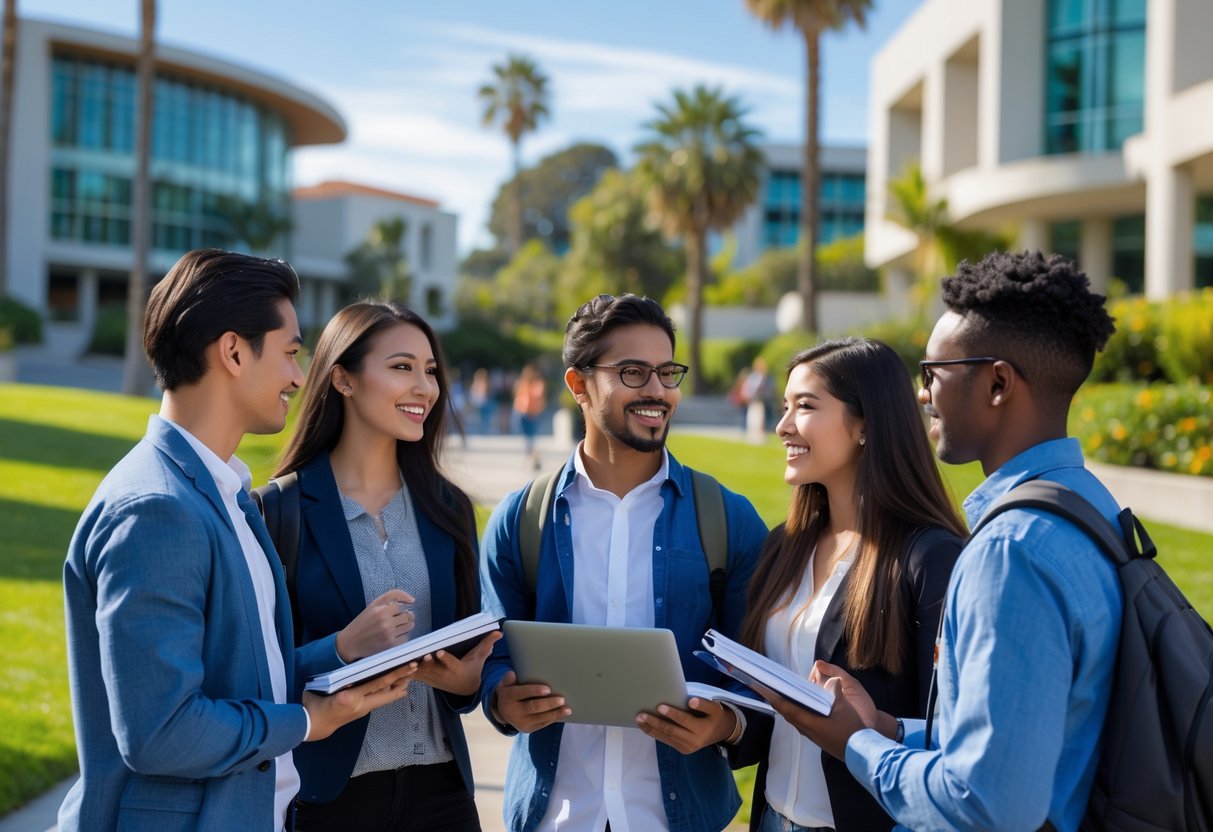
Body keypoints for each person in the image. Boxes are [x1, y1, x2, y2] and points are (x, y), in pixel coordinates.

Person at [758, 251, 1123, 831]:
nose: (921, 395)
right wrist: (891, 729)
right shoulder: (1092, 506)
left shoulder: (1011, 551)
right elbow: (1012, 735)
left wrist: (858, 744)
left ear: (998, 382)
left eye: (933, 374)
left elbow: (988, 803)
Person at [60, 249, 414, 832]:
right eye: (291, 353)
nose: (300, 378)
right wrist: (305, 721)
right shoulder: (156, 510)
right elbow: (161, 733)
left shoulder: (226, 495)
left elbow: (239, 674)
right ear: (232, 352)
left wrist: (340, 654)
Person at [479, 293, 769, 832]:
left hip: (679, 817)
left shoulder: (728, 520)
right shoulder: (521, 520)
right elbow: (492, 655)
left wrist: (724, 724)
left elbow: (760, 676)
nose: (658, 390)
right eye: (633, 373)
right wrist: (502, 699)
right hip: (555, 816)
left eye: (667, 372)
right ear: (578, 385)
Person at [271, 301, 501, 830]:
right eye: (402, 367)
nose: (425, 387)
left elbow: (467, 660)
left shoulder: (448, 509)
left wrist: (467, 683)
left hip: (443, 796)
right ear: (344, 380)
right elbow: (255, 672)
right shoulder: (279, 510)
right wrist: (342, 648)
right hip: (328, 799)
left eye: (430, 371)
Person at [730, 338, 965, 832]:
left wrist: (875, 728)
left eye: (806, 407)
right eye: (785, 407)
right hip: (772, 817)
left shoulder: (929, 557)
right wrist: (726, 725)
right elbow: (776, 712)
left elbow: (956, 739)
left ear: (865, 425)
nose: (783, 426)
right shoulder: (785, 545)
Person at [513, 362, 547, 470]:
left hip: (533, 414)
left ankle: (534, 459)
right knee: (526, 438)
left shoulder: (539, 384)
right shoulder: (522, 383)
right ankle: (533, 458)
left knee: (530, 439)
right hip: (522, 412)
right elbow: (518, 395)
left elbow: (537, 395)